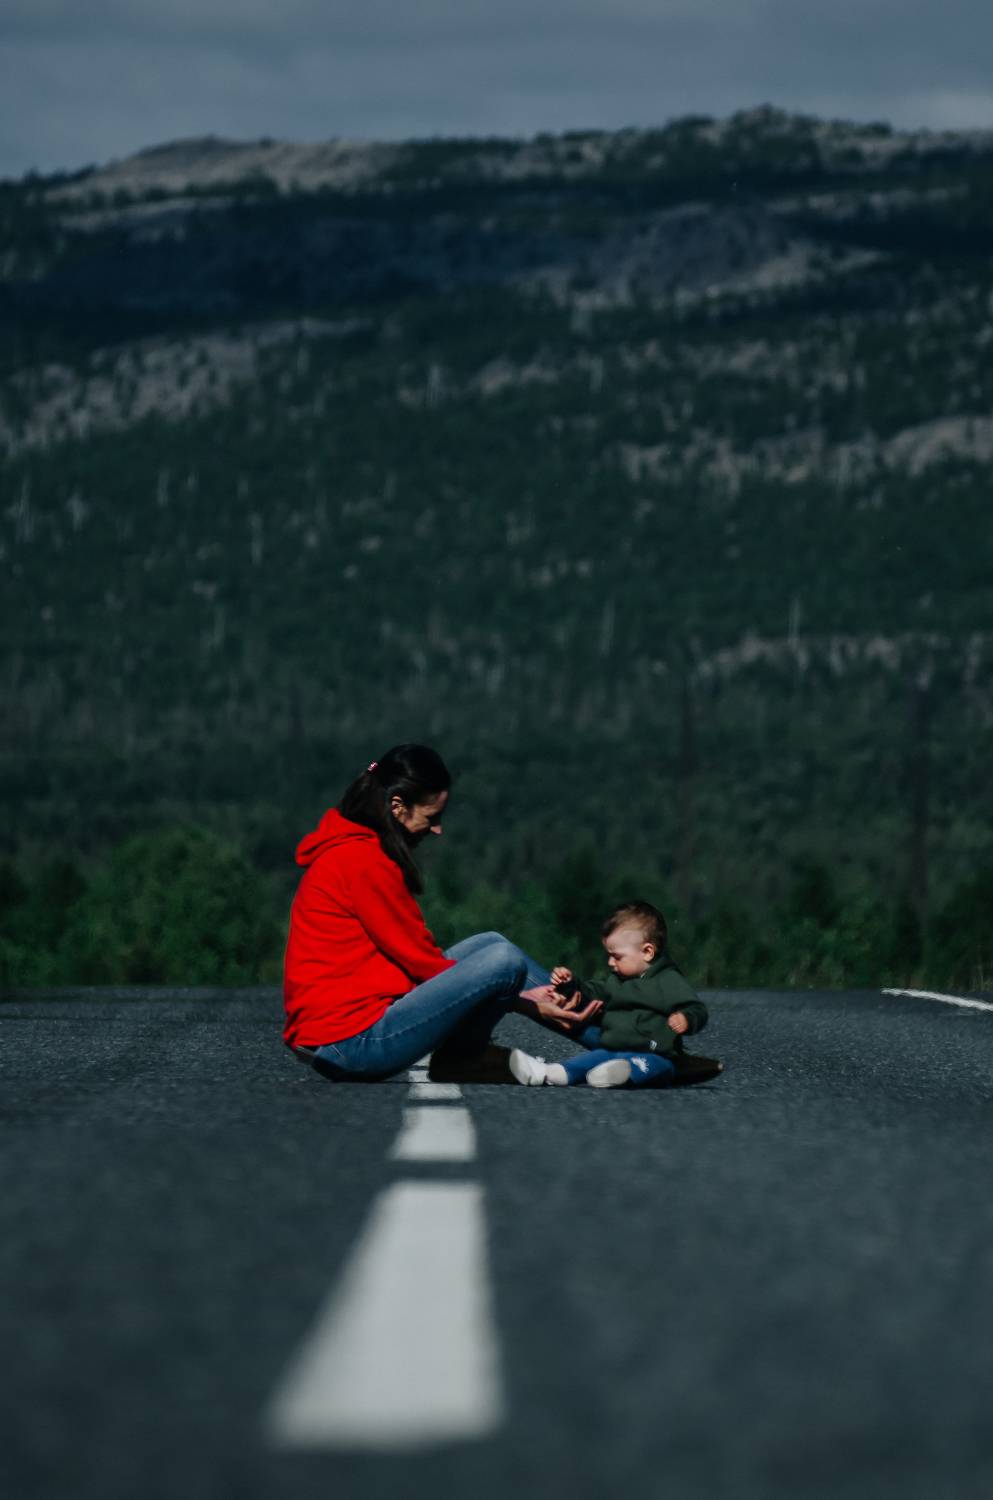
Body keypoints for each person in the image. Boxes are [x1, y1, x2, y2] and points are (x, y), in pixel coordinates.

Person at [282, 743, 601, 1085]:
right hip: (352, 1043)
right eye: (431, 817)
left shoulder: (355, 850)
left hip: (344, 1034)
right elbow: (424, 964)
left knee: (490, 944)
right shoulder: (364, 861)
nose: (437, 830)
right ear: (398, 807)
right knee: (504, 961)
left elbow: (421, 963)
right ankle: (465, 1059)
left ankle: (617, 1038)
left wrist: (522, 999)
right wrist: (525, 1003)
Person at [538, 900, 723, 1089]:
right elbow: (591, 992)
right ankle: (554, 1073)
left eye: (617, 956)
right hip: (613, 1050)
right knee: (590, 1059)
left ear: (647, 952)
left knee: (655, 1066)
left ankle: (624, 1073)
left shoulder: (667, 980)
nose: (610, 962)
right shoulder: (616, 980)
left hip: (655, 1053)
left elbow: (696, 1008)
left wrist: (686, 1018)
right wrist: (570, 984)